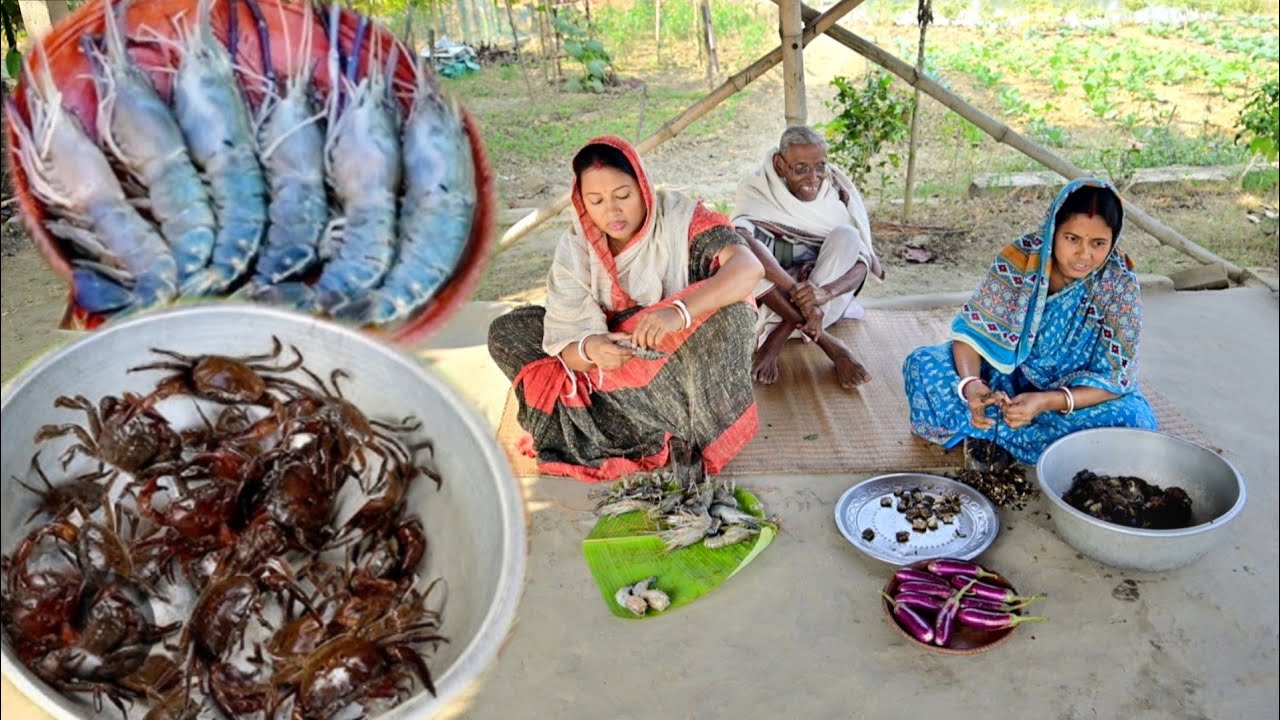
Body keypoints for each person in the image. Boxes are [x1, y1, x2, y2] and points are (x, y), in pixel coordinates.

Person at [487, 136, 765, 481]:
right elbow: (567, 346)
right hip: (615, 376)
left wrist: (677, 312)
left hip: (681, 362)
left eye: (622, 196)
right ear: (582, 203)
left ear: (643, 188)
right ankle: (649, 428)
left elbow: (748, 269)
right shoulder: (576, 249)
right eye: (596, 201)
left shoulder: (681, 218)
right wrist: (591, 349)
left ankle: (670, 425)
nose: (612, 211)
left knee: (735, 309)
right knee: (508, 331)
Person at [901, 178, 1157, 466]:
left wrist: (1045, 401)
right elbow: (971, 336)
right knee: (922, 364)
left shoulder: (1118, 283)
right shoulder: (1021, 260)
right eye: (1072, 239)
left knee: (1135, 420)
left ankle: (993, 434)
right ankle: (1024, 437)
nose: (1084, 255)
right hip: (1005, 379)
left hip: (1072, 397)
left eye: (1098, 244)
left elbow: (1116, 379)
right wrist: (972, 386)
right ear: (1053, 231)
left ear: (1113, 240)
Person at [731, 125, 884, 390]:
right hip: (773, 303)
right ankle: (828, 343)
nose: (813, 178)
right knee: (739, 252)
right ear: (779, 165)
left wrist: (823, 293)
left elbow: (862, 263)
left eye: (820, 166)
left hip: (823, 307)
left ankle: (779, 335)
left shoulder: (833, 193)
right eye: (800, 168)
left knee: (848, 235)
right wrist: (795, 290)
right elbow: (741, 240)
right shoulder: (757, 189)